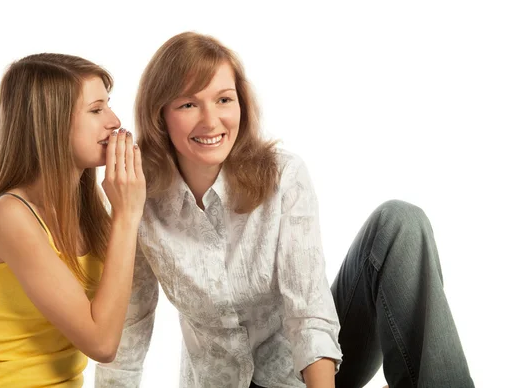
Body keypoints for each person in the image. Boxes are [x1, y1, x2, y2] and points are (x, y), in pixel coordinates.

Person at [95, 32, 475, 388]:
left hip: (309, 370)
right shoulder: (136, 197)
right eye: (189, 104)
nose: (211, 121)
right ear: (160, 114)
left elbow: (307, 309)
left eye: (224, 99)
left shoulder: (282, 175)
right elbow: (128, 332)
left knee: (400, 222)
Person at [0, 53, 146, 387]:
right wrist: (127, 215)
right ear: (52, 123)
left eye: (109, 105)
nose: (114, 120)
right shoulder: (8, 216)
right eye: (96, 109)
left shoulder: (88, 212)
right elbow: (102, 343)